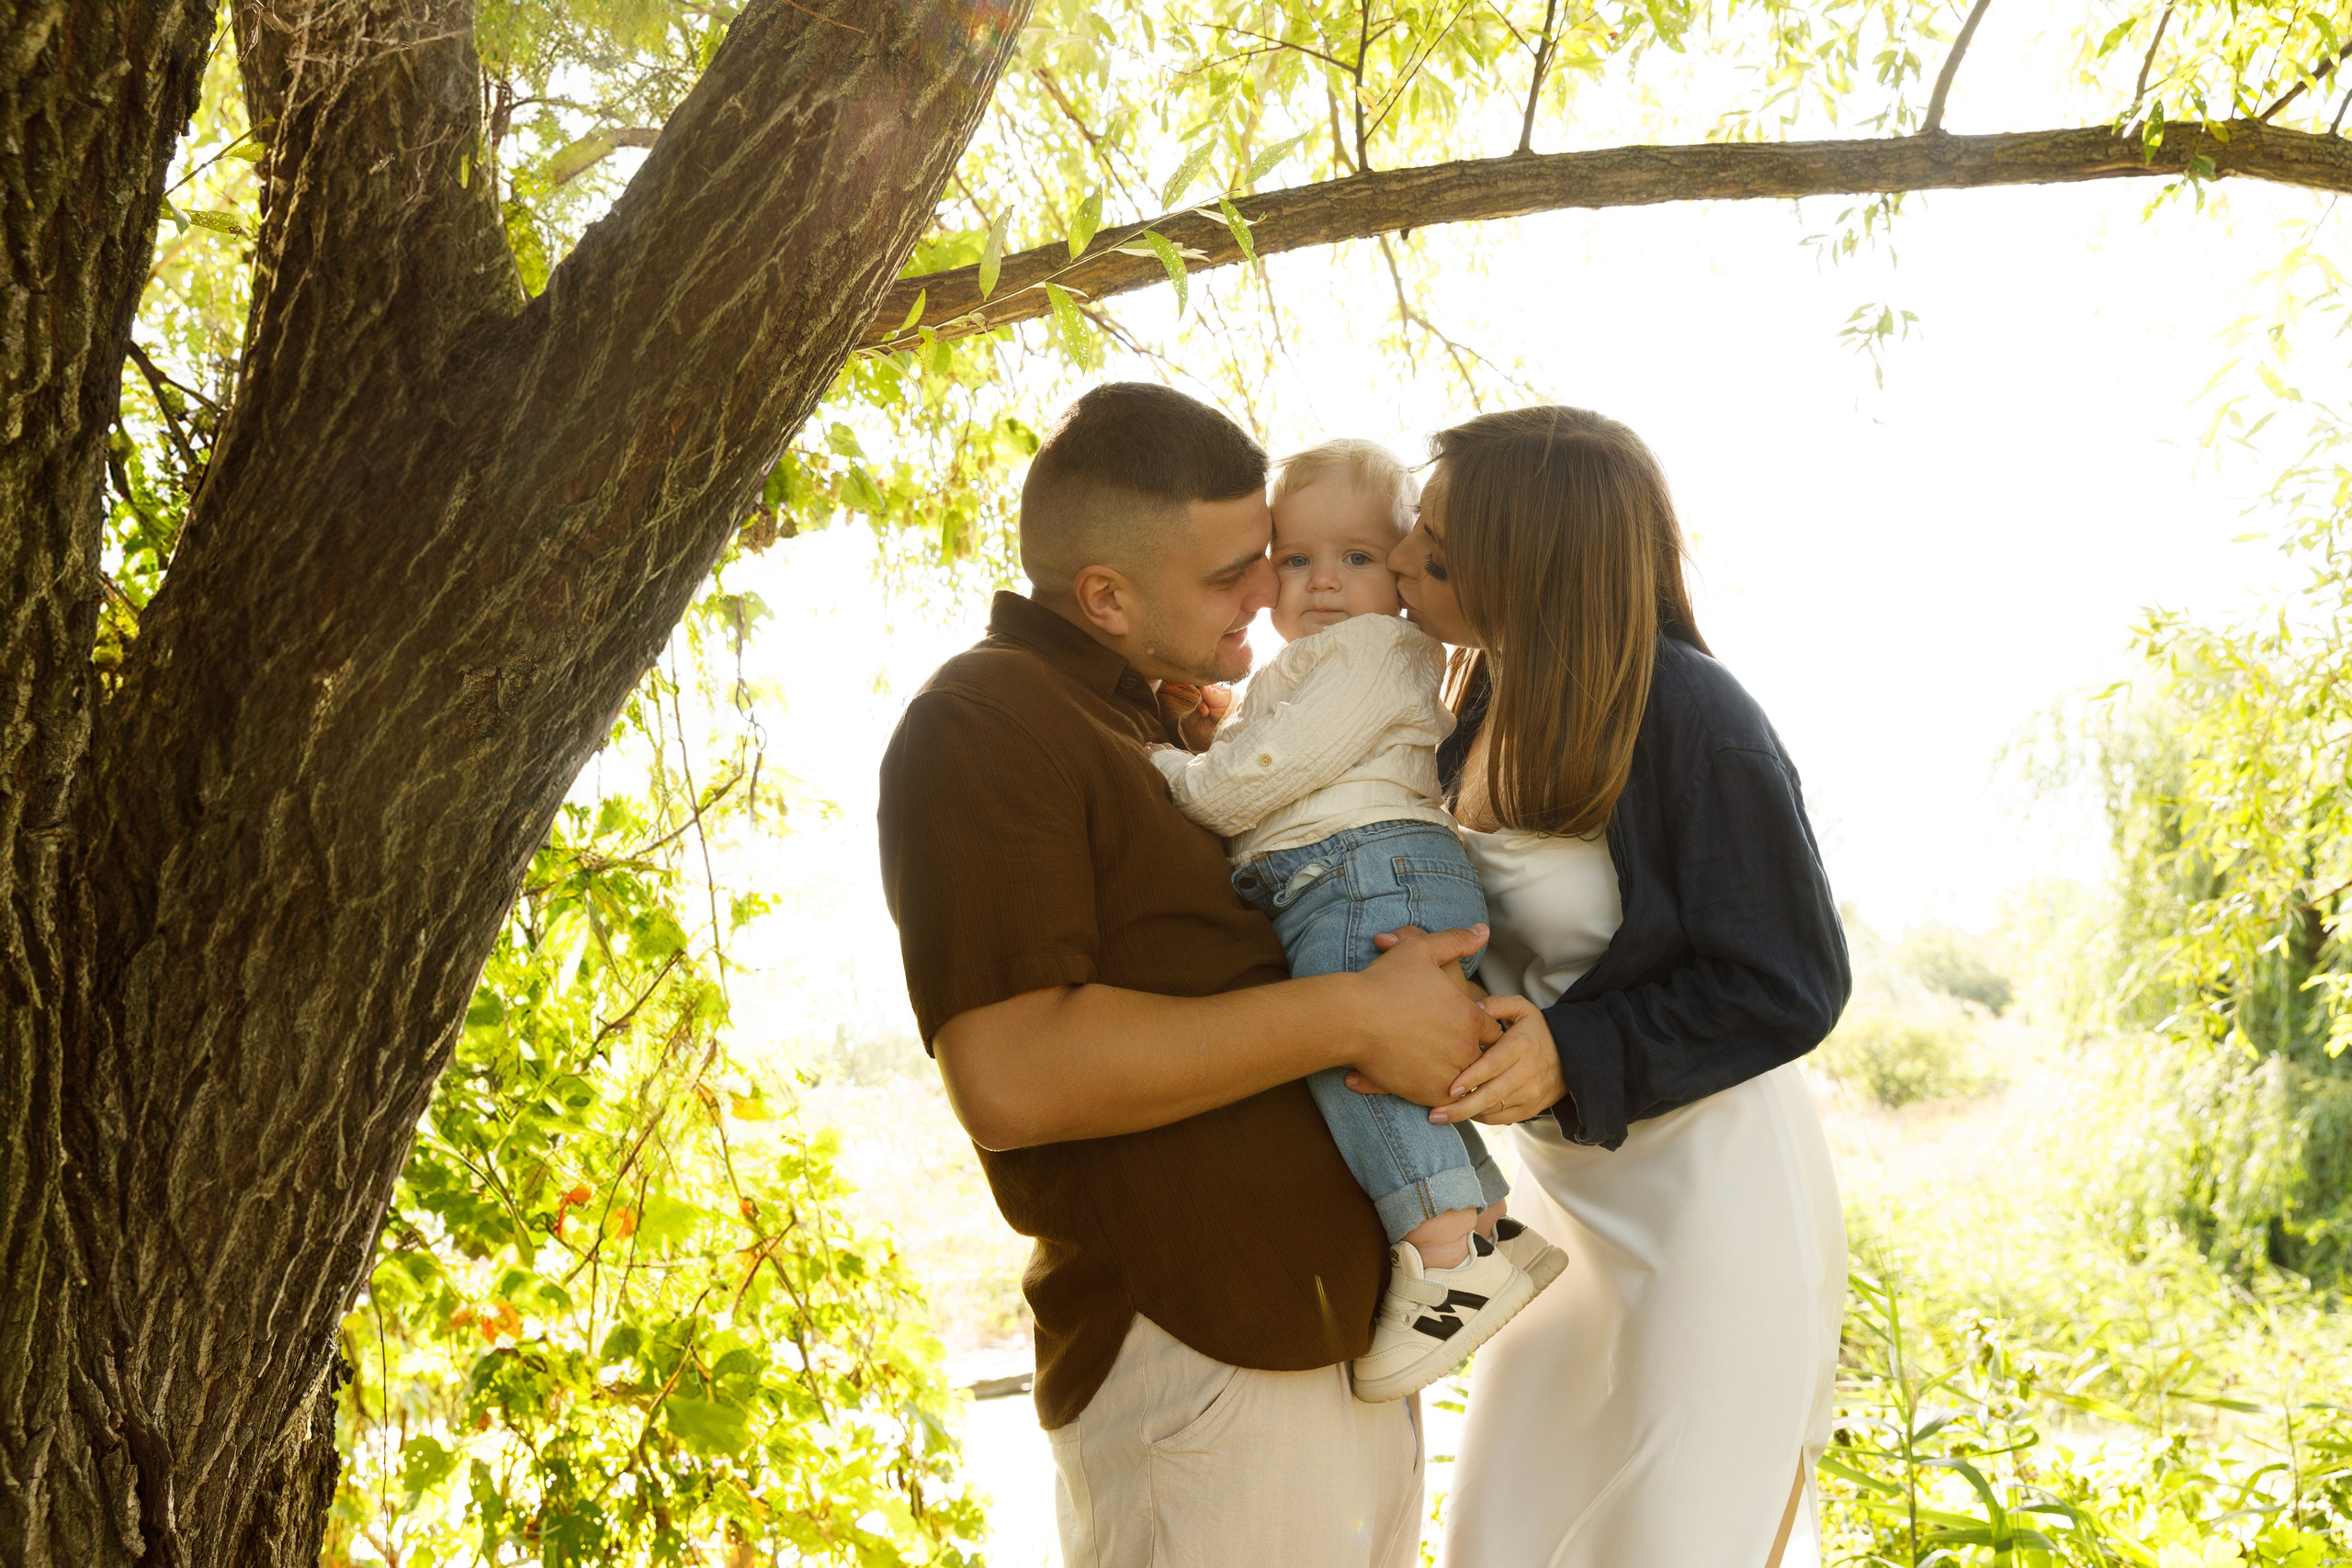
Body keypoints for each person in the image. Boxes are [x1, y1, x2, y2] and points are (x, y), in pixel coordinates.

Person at [876, 383, 1500, 1568]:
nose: (1269, 592)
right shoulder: (985, 721)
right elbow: (1007, 1074)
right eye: (1230, 575)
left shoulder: (1166, 720)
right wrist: (1355, 1014)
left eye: (1261, 558)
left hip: (1322, 1334)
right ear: (1105, 594)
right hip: (1200, 1351)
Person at [1372, 406, 1850, 1568]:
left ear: (1525, 566)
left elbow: (1792, 980)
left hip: (1708, 1206)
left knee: (1668, 1538)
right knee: (1503, 1534)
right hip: (1559, 1206)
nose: (1399, 566)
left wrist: (1569, 1051)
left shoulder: (1692, 716)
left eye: (1433, 554)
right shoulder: (1468, 703)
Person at [1147, 438, 1567, 1403]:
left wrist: (1169, 769)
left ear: (1406, 570)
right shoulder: (1337, 660)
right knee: (1385, 1061)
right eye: (1296, 559)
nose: (1323, 583)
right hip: (1361, 866)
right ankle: (1485, 1226)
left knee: (1359, 1063)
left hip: (1362, 870)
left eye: (1357, 558)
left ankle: (1447, 1260)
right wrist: (1223, 726)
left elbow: (1259, 783)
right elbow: (1290, 748)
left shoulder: (1374, 650)